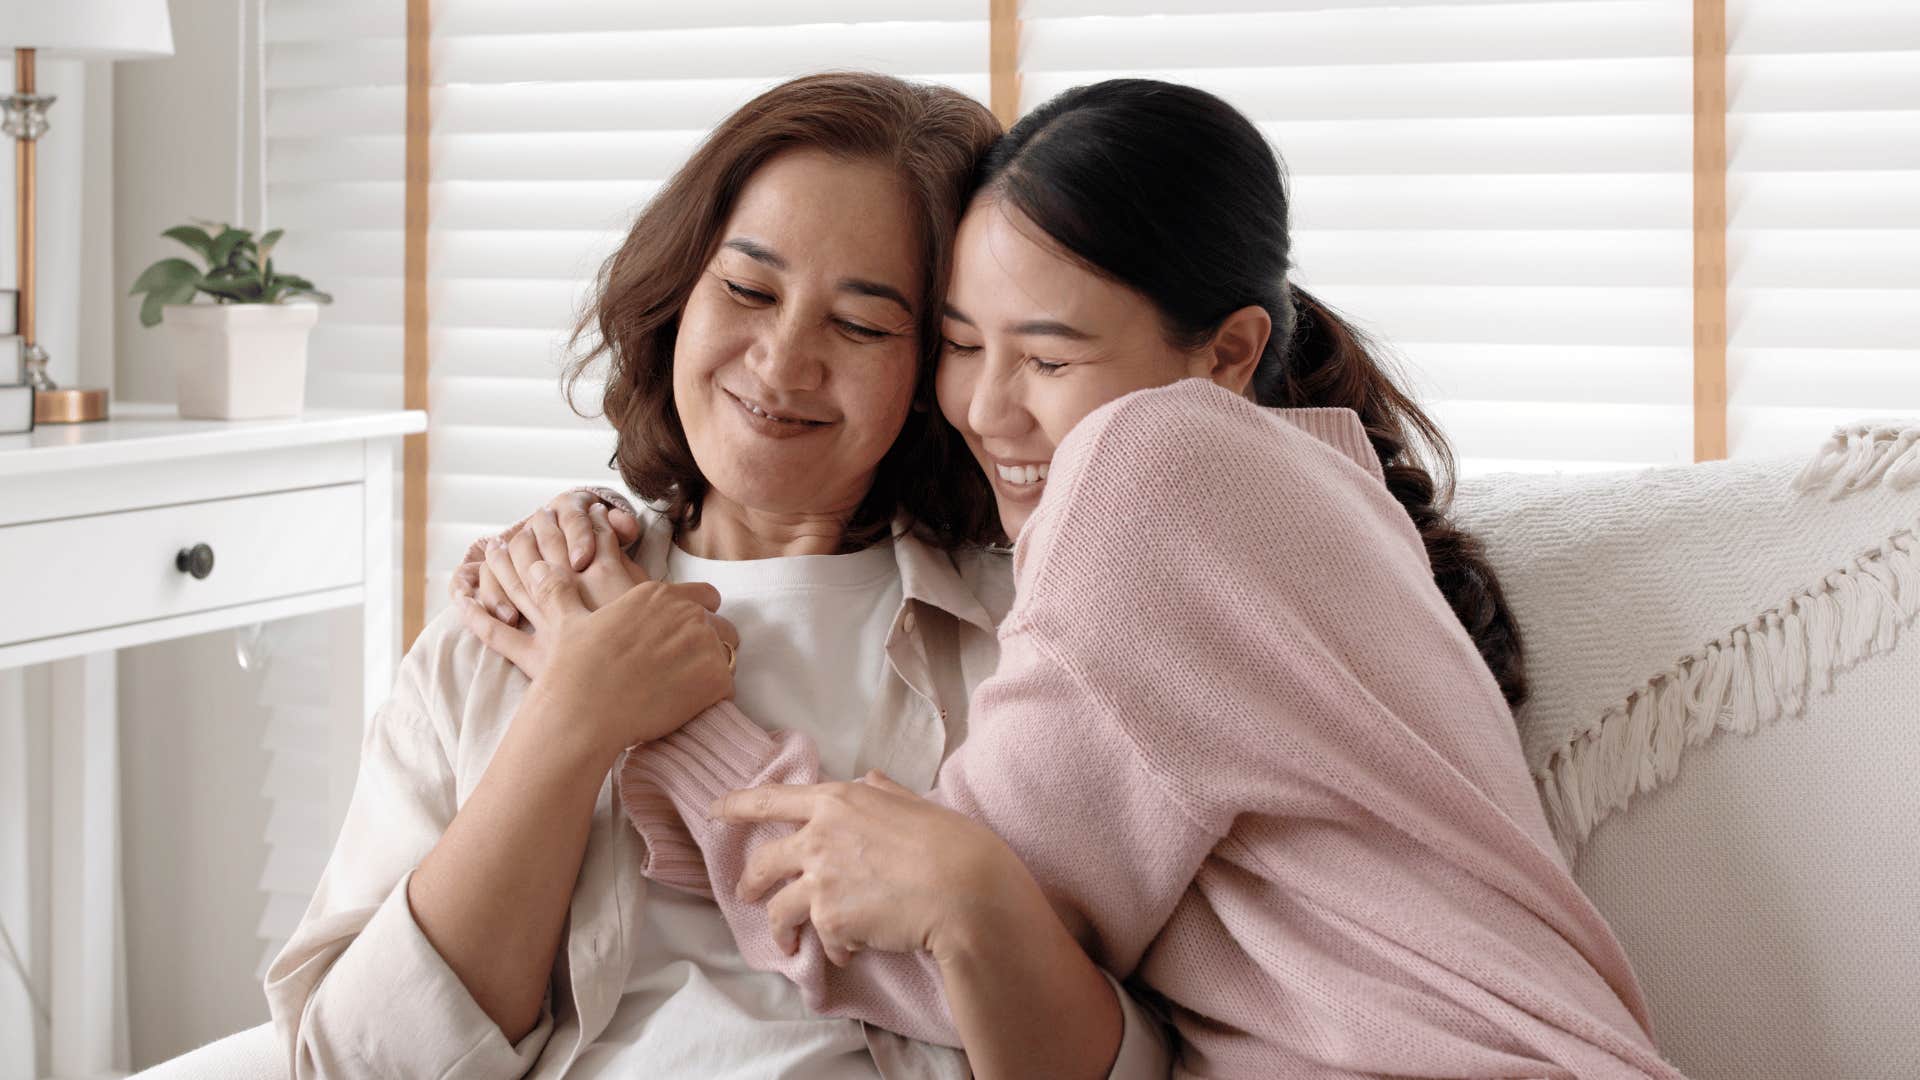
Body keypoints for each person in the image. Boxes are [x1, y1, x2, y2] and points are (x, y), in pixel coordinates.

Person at [464, 80, 1685, 1077]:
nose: (987, 409)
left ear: (1229, 354)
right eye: (956, 343)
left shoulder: (1150, 471)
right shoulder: (1302, 491)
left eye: (1048, 357)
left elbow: (927, 951)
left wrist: (639, 693)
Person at [267, 72, 1172, 1080]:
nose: (782, 365)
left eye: (863, 325)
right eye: (747, 290)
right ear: (679, 291)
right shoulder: (517, 616)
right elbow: (354, 1064)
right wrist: (574, 718)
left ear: (935, 370)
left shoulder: (1037, 642)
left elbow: (1140, 1053)